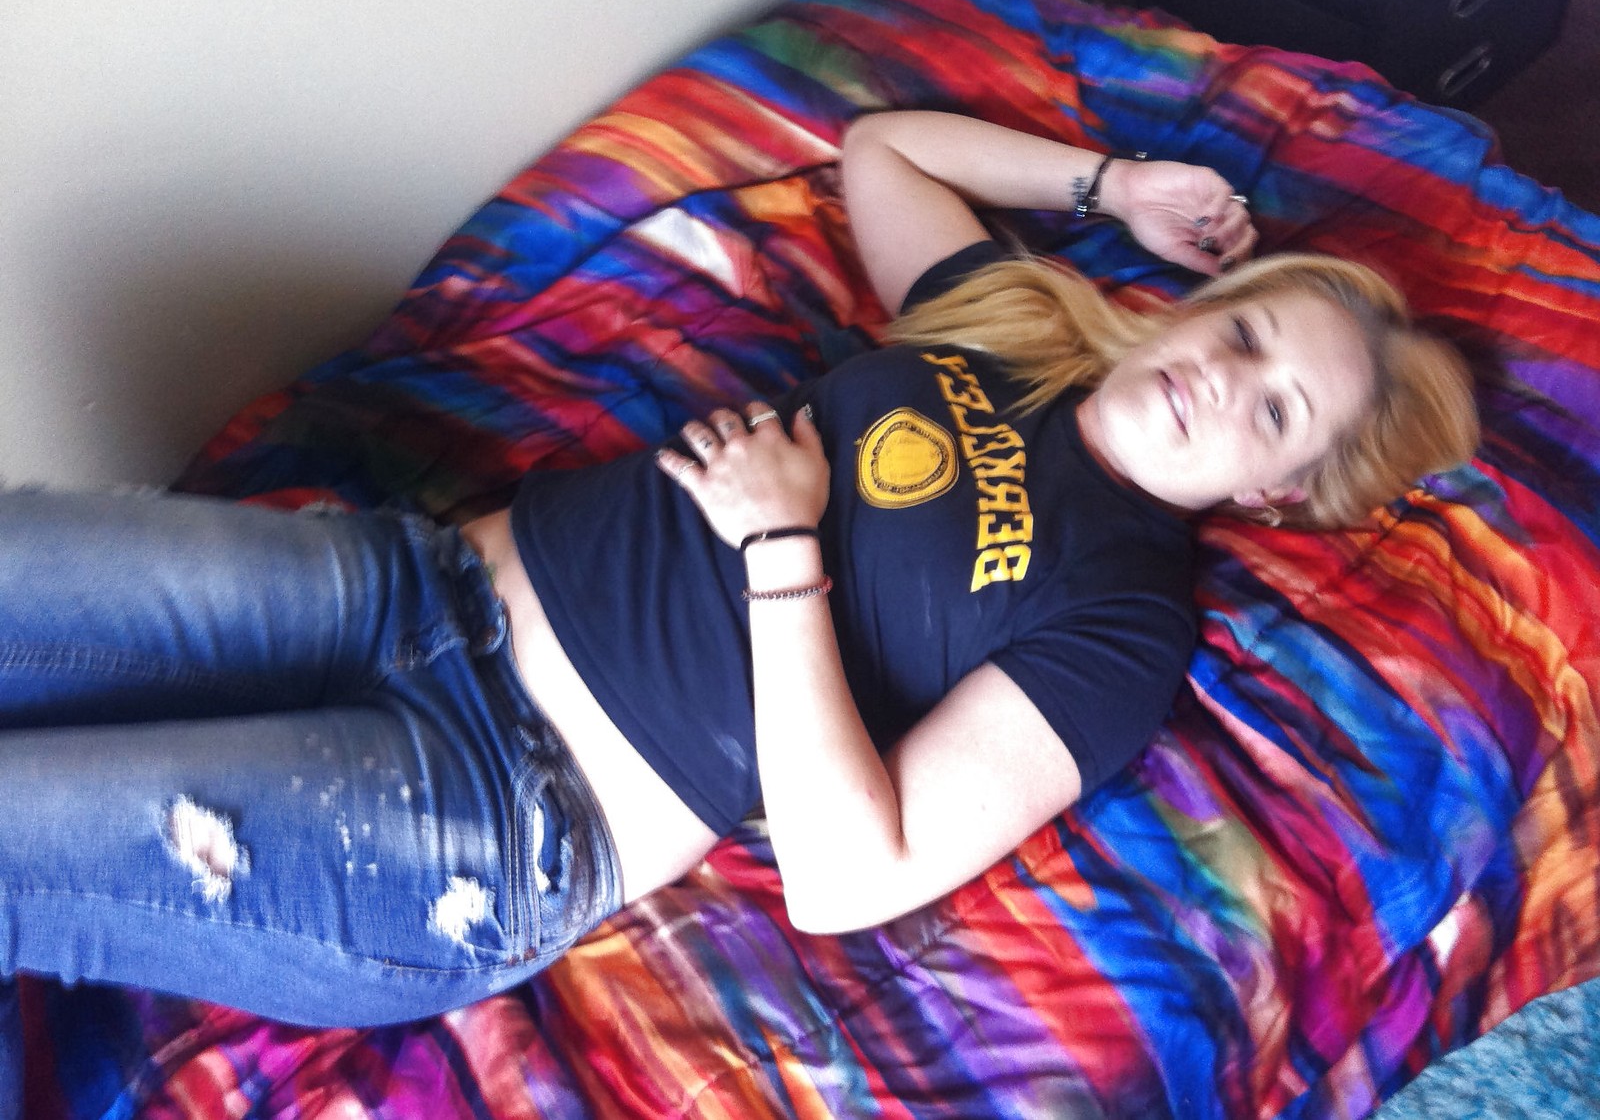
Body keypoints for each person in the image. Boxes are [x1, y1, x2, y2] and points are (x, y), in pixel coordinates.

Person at [0, 110, 1478, 1104]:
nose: (1224, 377)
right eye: (1246, 332)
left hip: (491, 809)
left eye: (1275, 410)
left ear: (1277, 491)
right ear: (1197, 306)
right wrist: (1115, 187)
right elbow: (885, 148)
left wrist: (784, 545)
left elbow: (850, 874)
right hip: (405, 584)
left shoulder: (1124, 625)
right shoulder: (1013, 325)